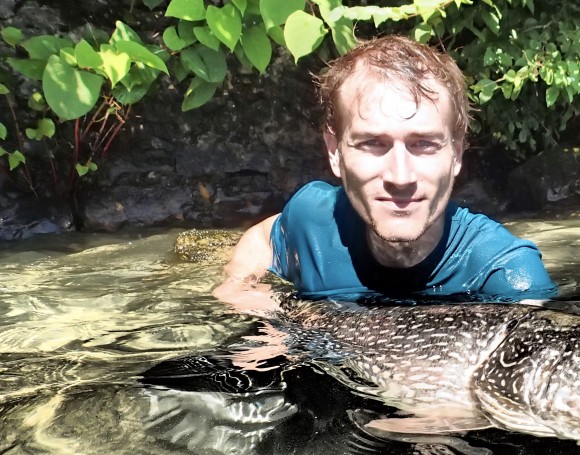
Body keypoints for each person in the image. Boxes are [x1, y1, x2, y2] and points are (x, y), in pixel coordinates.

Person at [214, 35, 557, 311]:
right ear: (335, 152)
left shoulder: (506, 276)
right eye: (373, 143)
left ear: (456, 153)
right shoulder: (313, 219)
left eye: (423, 143)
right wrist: (242, 290)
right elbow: (264, 237)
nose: (401, 176)